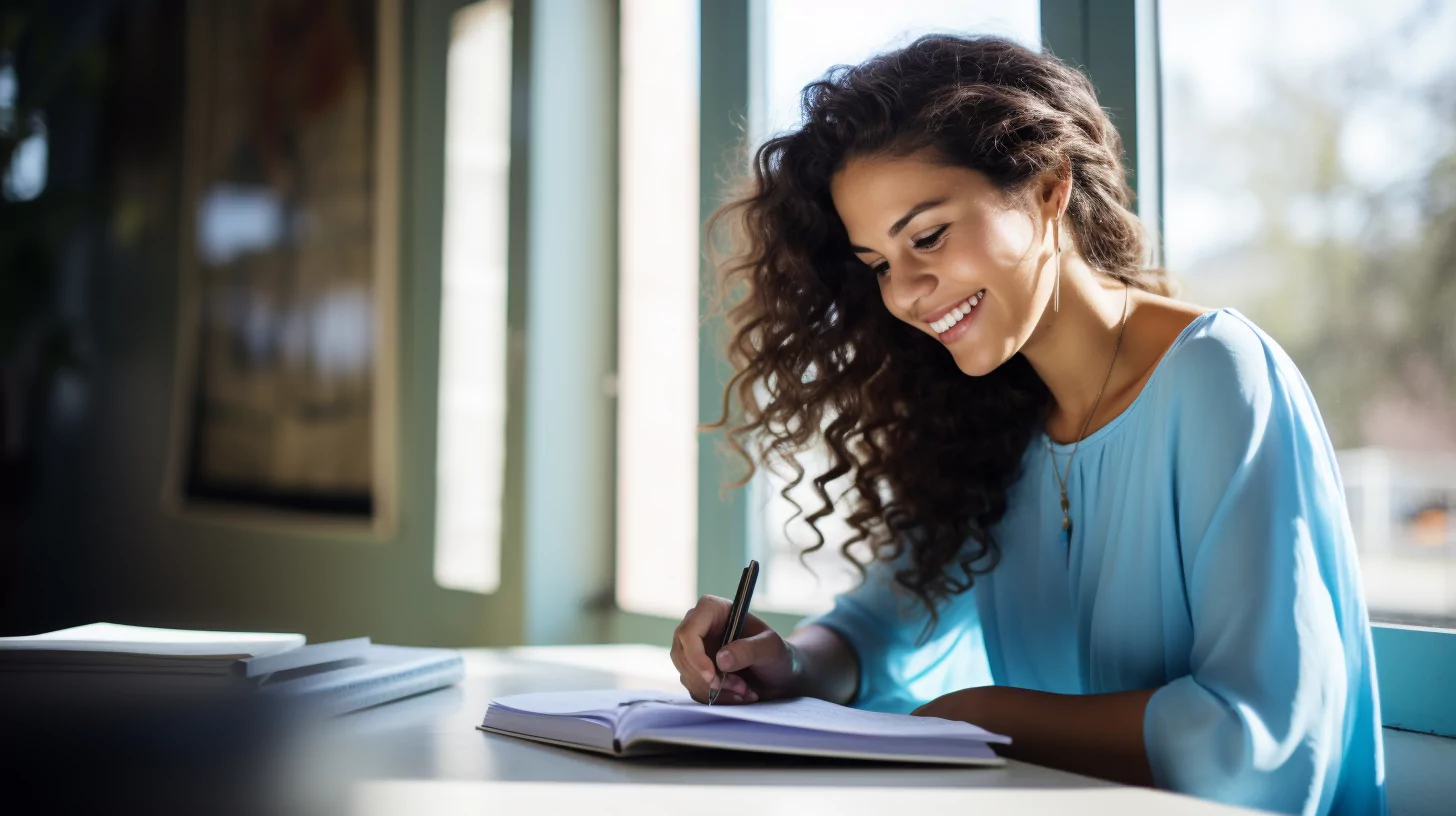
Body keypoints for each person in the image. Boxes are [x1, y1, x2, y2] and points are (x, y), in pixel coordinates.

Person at [668, 35, 1385, 816]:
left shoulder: (1219, 375)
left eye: (928, 236)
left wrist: (982, 717)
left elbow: (1259, 741)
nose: (905, 293)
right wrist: (787, 664)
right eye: (877, 263)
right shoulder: (986, 414)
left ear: (1049, 189)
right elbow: (879, 627)